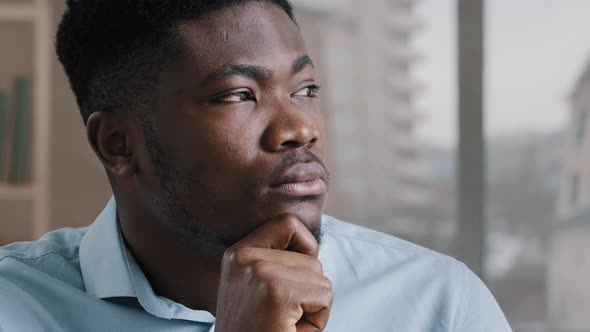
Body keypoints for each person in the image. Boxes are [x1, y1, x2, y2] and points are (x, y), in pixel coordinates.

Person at [0, 0, 511, 331]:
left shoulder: (439, 304)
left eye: (305, 89)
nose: (300, 128)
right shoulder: (16, 307)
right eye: (238, 95)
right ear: (117, 143)